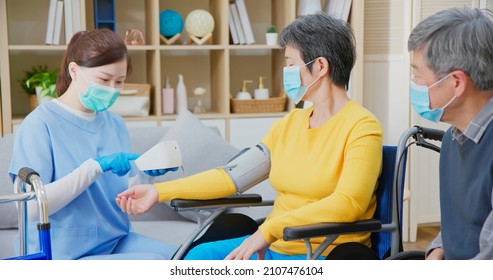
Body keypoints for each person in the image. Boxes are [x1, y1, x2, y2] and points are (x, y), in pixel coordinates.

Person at [117, 12, 383, 260]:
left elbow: (349, 203)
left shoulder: (362, 127)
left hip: (325, 252)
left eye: (290, 63)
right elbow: (230, 176)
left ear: (321, 66)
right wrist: (158, 190)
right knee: (196, 259)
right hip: (274, 245)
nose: (286, 72)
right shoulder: (290, 123)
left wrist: (268, 230)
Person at [9, 29, 177, 260]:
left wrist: (147, 173)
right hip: (62, 251)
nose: (111, 89)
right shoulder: (40, 124)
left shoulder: (115, 123)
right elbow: (31, 209)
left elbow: (118, 194)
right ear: (75, 71)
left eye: (119, 82)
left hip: (117, 239)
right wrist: (94, 168)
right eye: (104, 80)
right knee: (157, 265)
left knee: (185, 259)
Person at [408, 7, 493, 259]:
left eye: (417, 75)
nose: (413, 84)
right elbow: (459, 224)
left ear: (456, 82)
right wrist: (437, 249)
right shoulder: (452, 139)